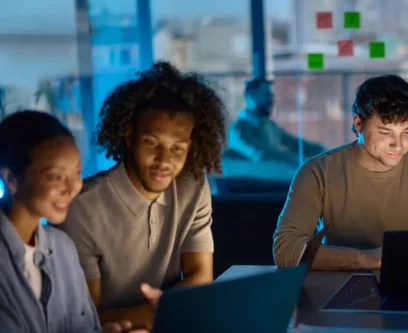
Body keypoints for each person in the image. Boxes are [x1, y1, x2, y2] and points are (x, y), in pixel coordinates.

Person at [60, 62, 227, 327]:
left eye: (177, 148)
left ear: (190, 146)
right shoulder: (82, 207)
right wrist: (154, 312)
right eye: (152, 143)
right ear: (129, 136)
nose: (164, 160)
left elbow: (200, 275)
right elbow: (85, 319)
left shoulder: (193, 186)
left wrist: (166, 309)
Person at [272, 74, 408, 270]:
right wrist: (366, 259)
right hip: (334, 286)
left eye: (407, 131)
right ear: (359, 124)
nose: (398, 144)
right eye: (385, 132)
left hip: (407, 285)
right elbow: (285, 250)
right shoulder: (318, 172)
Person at [0, 111, 152, 333]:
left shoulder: (63, 248)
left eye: (77, 173)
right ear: (12, 179)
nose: (73, 188)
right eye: (56, 177)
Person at [227, 78, 326, 166]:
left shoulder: (270, 125)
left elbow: (295, 143)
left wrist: (324, 152)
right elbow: (263, 155)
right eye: (266, 95)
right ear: (251, 97)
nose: (271, 101)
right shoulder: (238, 130)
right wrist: (299, 161)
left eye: (271, 96)